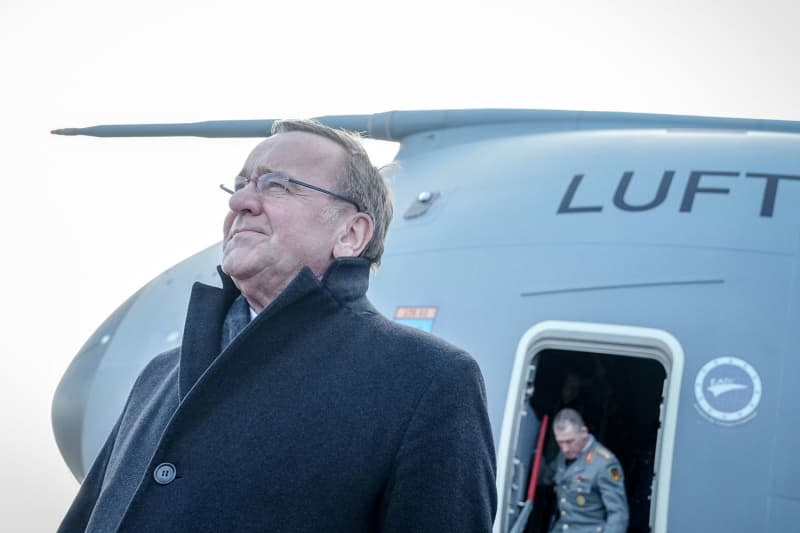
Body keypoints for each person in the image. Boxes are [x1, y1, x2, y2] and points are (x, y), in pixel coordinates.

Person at [57, 119, 497, 533]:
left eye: (278, 185)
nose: (240, 202)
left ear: (350, 233)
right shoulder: (158, 377)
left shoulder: (428, 382)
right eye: (241, 184)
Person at [549, 408, 628, 533]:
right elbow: (548, 477)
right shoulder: (563, 456)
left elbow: (618, 514)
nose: (565, 449)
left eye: (569, 441)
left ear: (583, 432)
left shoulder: (605, 464)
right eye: (560, 442)